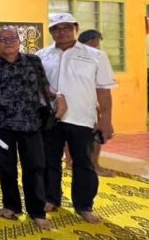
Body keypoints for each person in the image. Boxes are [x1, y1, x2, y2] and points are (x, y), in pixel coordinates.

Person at [37, 13, 116, 224]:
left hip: (82, 119)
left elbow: (104, 90)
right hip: (50, 120)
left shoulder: (96, 56)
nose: (61, 32)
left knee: (84, 163)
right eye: (56, 28)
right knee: (49, 161)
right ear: (51, 31)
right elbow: (37, 86)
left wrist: (106, 119)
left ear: (76, 29)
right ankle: (51, 198)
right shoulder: (42, 56)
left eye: (66, 27)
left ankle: (84, 205)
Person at [0, 26, 56, 230]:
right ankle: (11, 205)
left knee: (35, 168)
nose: (8, 41)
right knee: (6, 167)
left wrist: (60, 97)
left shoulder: (33, 61)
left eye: (12, 37)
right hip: (3, 127)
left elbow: (45, 89)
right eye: (2, 39)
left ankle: (37, 211)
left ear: (19, 41)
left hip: (32, 124)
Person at [74, 29, 114, 177]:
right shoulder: (94, 57)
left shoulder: (72, 56)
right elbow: (103, 88)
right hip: (85, 105)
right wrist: (104, 115)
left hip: (75, 104)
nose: (98, 47)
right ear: (91, 41)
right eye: (97, 43)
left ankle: (70, 162)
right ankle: (94, 164)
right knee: (97, 134)